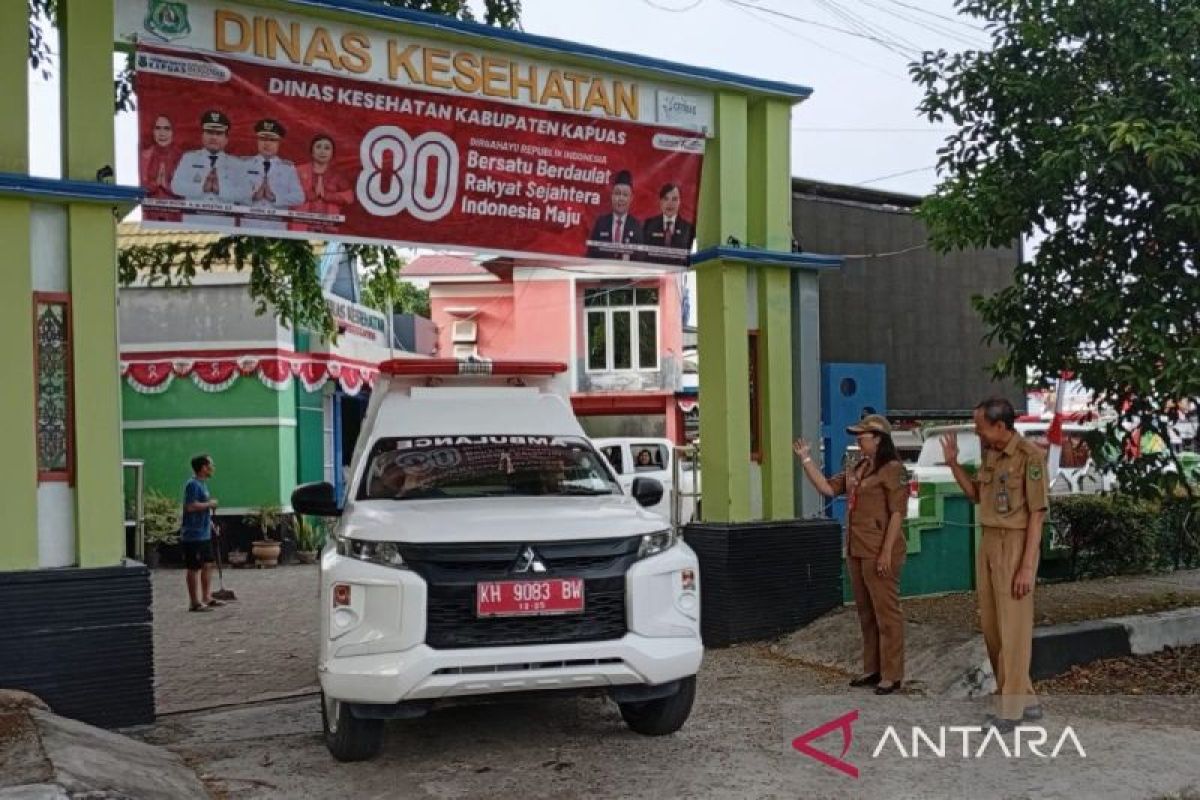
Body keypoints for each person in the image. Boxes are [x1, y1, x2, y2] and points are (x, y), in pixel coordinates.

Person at [941, 397, 1049, 731]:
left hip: (1015, 544)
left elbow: (1037, 515)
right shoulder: (990, 454)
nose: (977, 432)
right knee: (993, 628)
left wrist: (1027, 567)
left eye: (981, 426)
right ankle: (1026, 699)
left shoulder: (1029, 457)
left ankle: (1010, 711)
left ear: (1000, 425)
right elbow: (976, 494)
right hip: (988, 541)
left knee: (1013, 631)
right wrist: (953, 464)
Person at [794, 414, 908, 695]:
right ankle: (872, 668)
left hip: (879, 548)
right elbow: (828, 488)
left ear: (878, 439)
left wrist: (886, 552)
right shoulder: (859, 467)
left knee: (887, 614)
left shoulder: (893, 470)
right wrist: (806, 459)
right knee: (866, 612)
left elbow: (897, 514)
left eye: (863, 436)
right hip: (857, 547)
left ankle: (892, 674)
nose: (858, 440)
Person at [170, 109, 249, 225]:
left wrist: (220, 190)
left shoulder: (236, 164)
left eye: (218, 133)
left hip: (224, 225)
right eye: (210, 132)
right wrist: (201, 188)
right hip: (193, 224)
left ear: (226, 139)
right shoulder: (189, 158)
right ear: (202, 136)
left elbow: (245, 193)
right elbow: (175, 186)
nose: (214, 137)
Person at [241, 119, 305, 230]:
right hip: (249, 225)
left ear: (278, 143)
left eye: (272, 140)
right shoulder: (244, 164)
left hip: (276, 227)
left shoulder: (287, 168)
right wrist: (253, 196)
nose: (267, 143)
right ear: (257, 141)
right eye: (263, 139)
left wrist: (275, 198)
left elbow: (299, 197)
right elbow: (233, 193)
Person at [181, 454, 223, 612]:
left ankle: (206, 597)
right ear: (204, 467)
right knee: (194, 567)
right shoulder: (192, 485)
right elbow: (190, 506)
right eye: (211, 464)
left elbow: (202, 507)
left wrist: (211, 524)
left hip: (204, 532)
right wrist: (209, 504)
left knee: (207, 564)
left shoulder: (203, 484)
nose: (213, 467)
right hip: (193, 534)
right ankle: (194, 602)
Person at [291, 133, 354, 232]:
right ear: (312, 151)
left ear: (332, 153)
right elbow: (285, 195)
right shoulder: (298, 171)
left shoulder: (337, 175)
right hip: (300, 227)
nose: (322, 151)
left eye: (327, 148)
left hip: (328, 229)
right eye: (318, 147)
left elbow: (349, 197)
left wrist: (327, 196)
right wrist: (307, 195)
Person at [586, 170, 641, 258]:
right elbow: (590, 254)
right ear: (612, 196)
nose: (621, 199)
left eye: (625, 195)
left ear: (631, 198)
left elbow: (640, 258)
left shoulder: (636, 226)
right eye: (617, 194)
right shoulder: (601, 223)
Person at [139, 114, 183, 221]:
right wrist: (155, 184)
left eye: (166, 128)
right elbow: (140, 189)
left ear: (173, 132)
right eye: (158, 128)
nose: (162, 133)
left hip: (177, 219)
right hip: (150, 218)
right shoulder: (145, 156)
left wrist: (166, 186)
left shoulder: (182, 157)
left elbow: (189, 190)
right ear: (153, 131)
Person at [640, 183, 695, 263]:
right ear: (660, 202)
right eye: (666, 199)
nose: (670, 203)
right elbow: (642, 255)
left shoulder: (689, 229)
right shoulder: (649, 225)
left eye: (674, 199)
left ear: (679, 202)